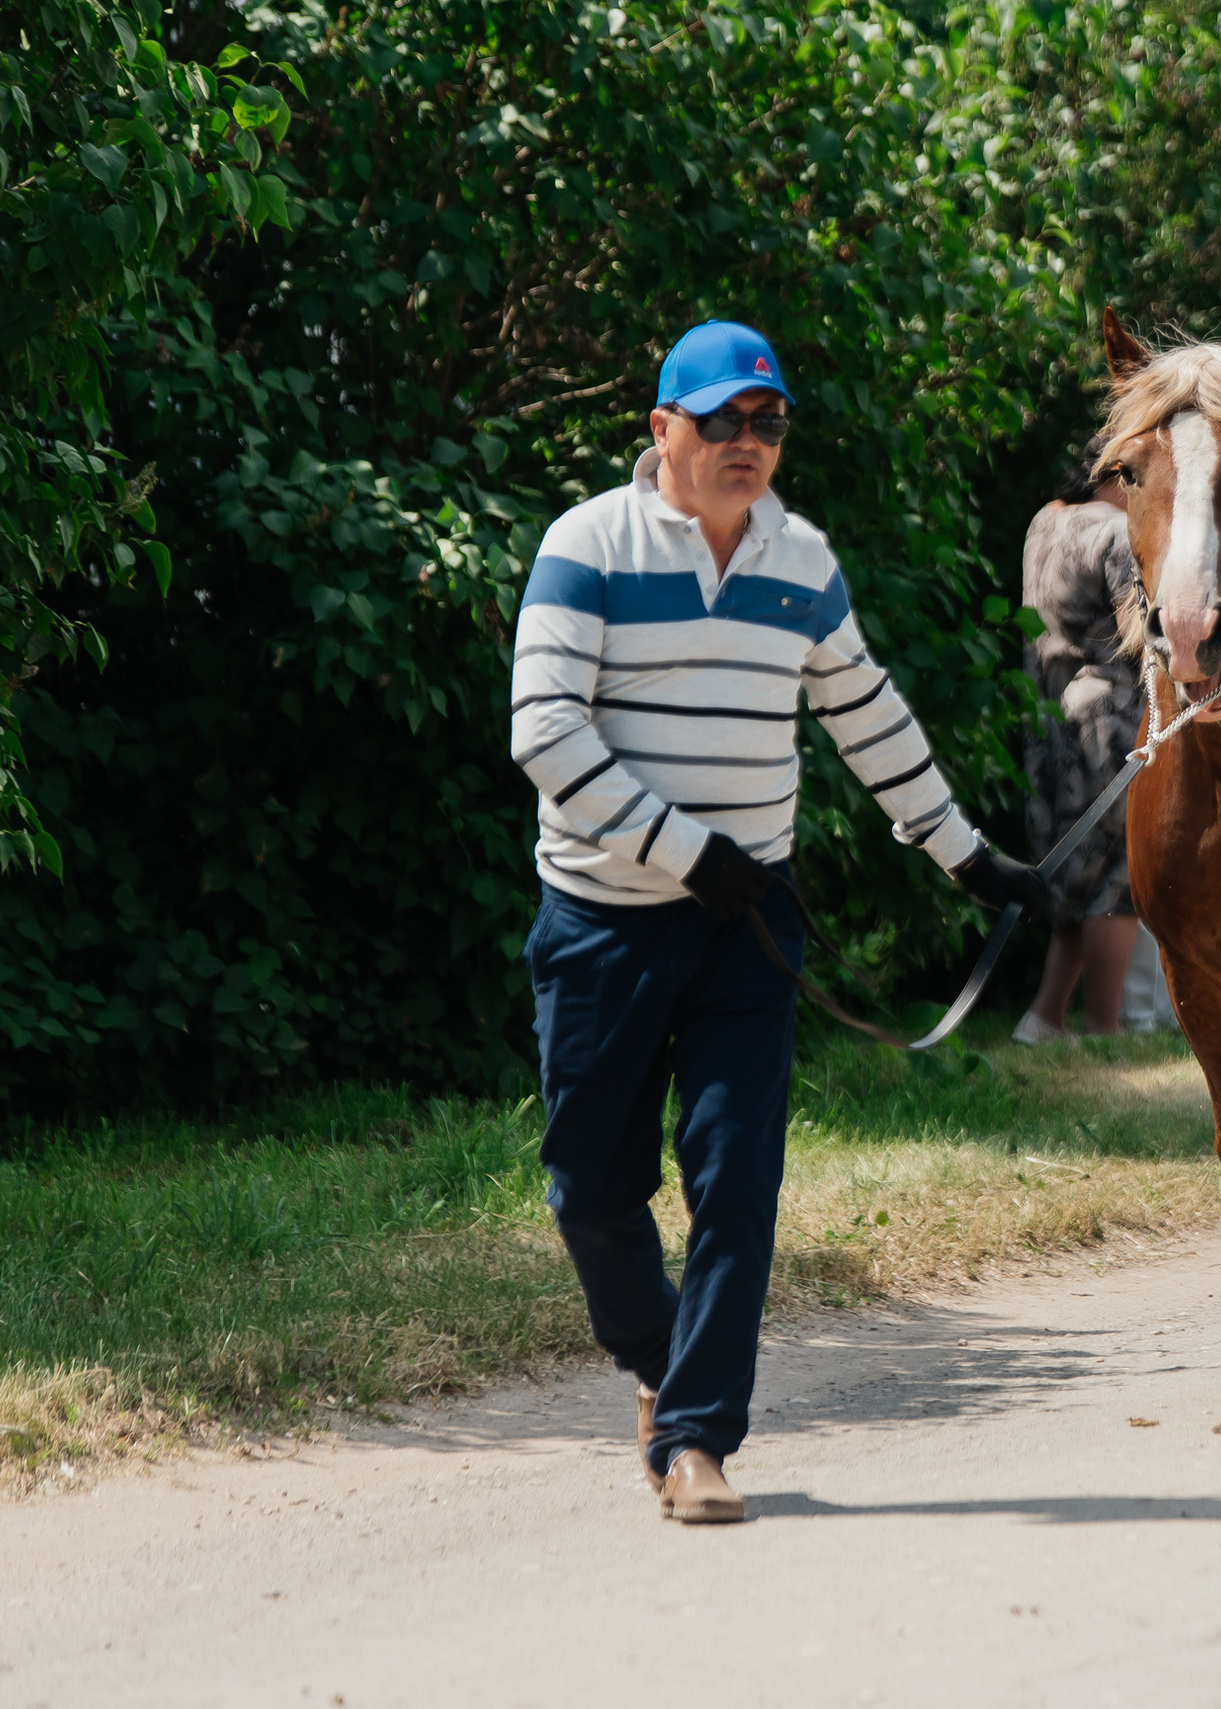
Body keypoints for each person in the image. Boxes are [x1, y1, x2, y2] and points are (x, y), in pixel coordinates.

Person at [509, 319, 1047, 1523]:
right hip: (603, 920)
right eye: (722, 422)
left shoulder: (800, 559)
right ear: (663, 432)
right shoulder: (584, 544)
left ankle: (696, 1436)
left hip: (747, 929)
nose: (749, 443)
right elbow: (542, 732)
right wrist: (685, 850)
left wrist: (966, 857)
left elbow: (865, 710)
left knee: (737, 1177)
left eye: (769, 422)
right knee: (589, 1188)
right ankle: (656, 1360)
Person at [1010, 441, 1174, 1042]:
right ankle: (1106, 1029)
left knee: (1073, 873)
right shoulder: (1112, 534)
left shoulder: (1044, 520)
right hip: (1110, 713)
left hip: (1049, 710)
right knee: (1116, 881)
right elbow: (1143, 629)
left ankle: (1044, 1018)